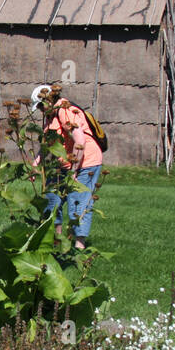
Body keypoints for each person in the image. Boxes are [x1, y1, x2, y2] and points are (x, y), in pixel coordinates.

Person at [31, 83, 103, 250]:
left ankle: (79, 246)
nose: (41, 111)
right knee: (52, 198)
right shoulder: (51, 117)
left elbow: (80, 141)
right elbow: (47, 145)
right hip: (63, 164)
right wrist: (36, 165)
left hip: (86, 163)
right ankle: (55, 240)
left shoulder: (66, 111)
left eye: (41, 106)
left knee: (78, 202)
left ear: (48, 100)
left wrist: (74, 170)